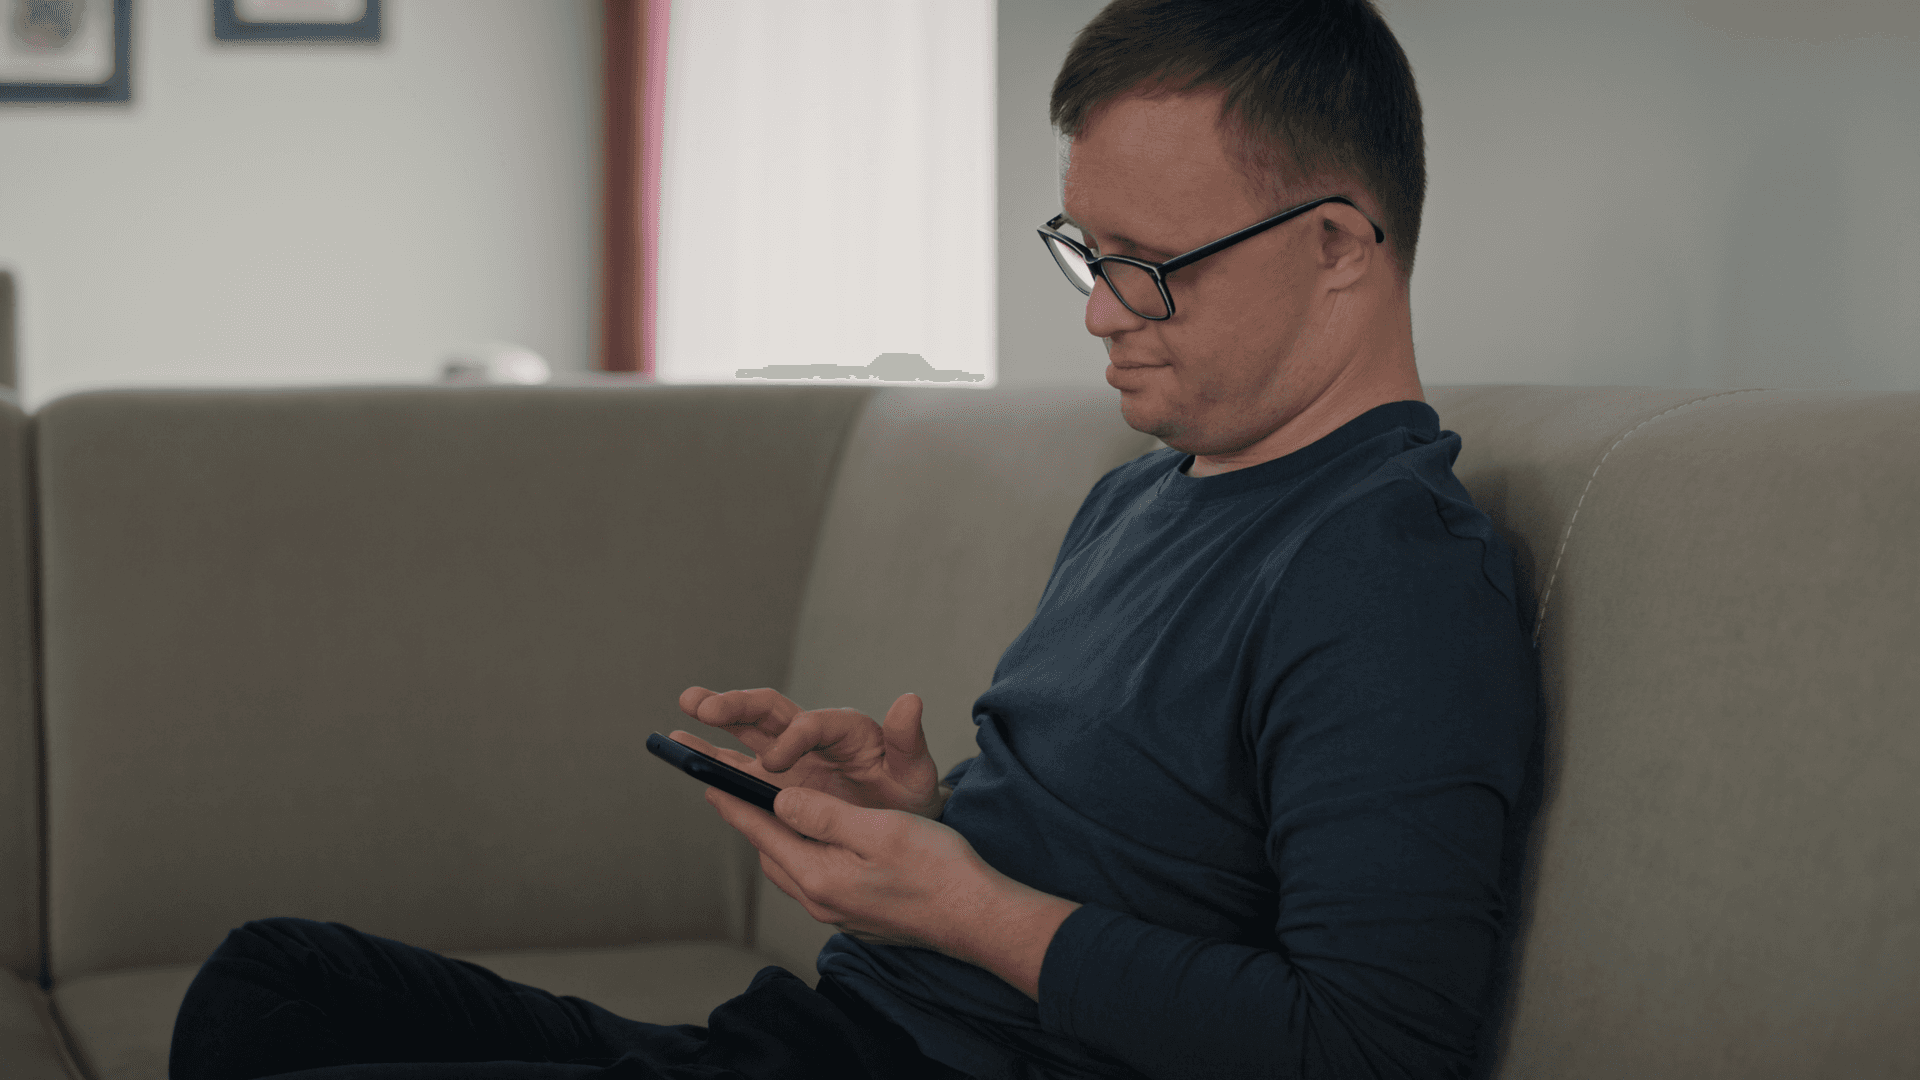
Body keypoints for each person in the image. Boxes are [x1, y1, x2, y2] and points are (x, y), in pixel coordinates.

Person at [168, 1, 1539, 1078]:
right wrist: (916, 822)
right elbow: (1130, 854)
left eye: (1151, 266)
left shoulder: (1389, 575)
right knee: (267, 979)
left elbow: (1373, 1048)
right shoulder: (1146, 493)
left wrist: (958, 907)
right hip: (821, 1036)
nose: (1101, 314)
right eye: (1087, 251)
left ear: (1343, 246)